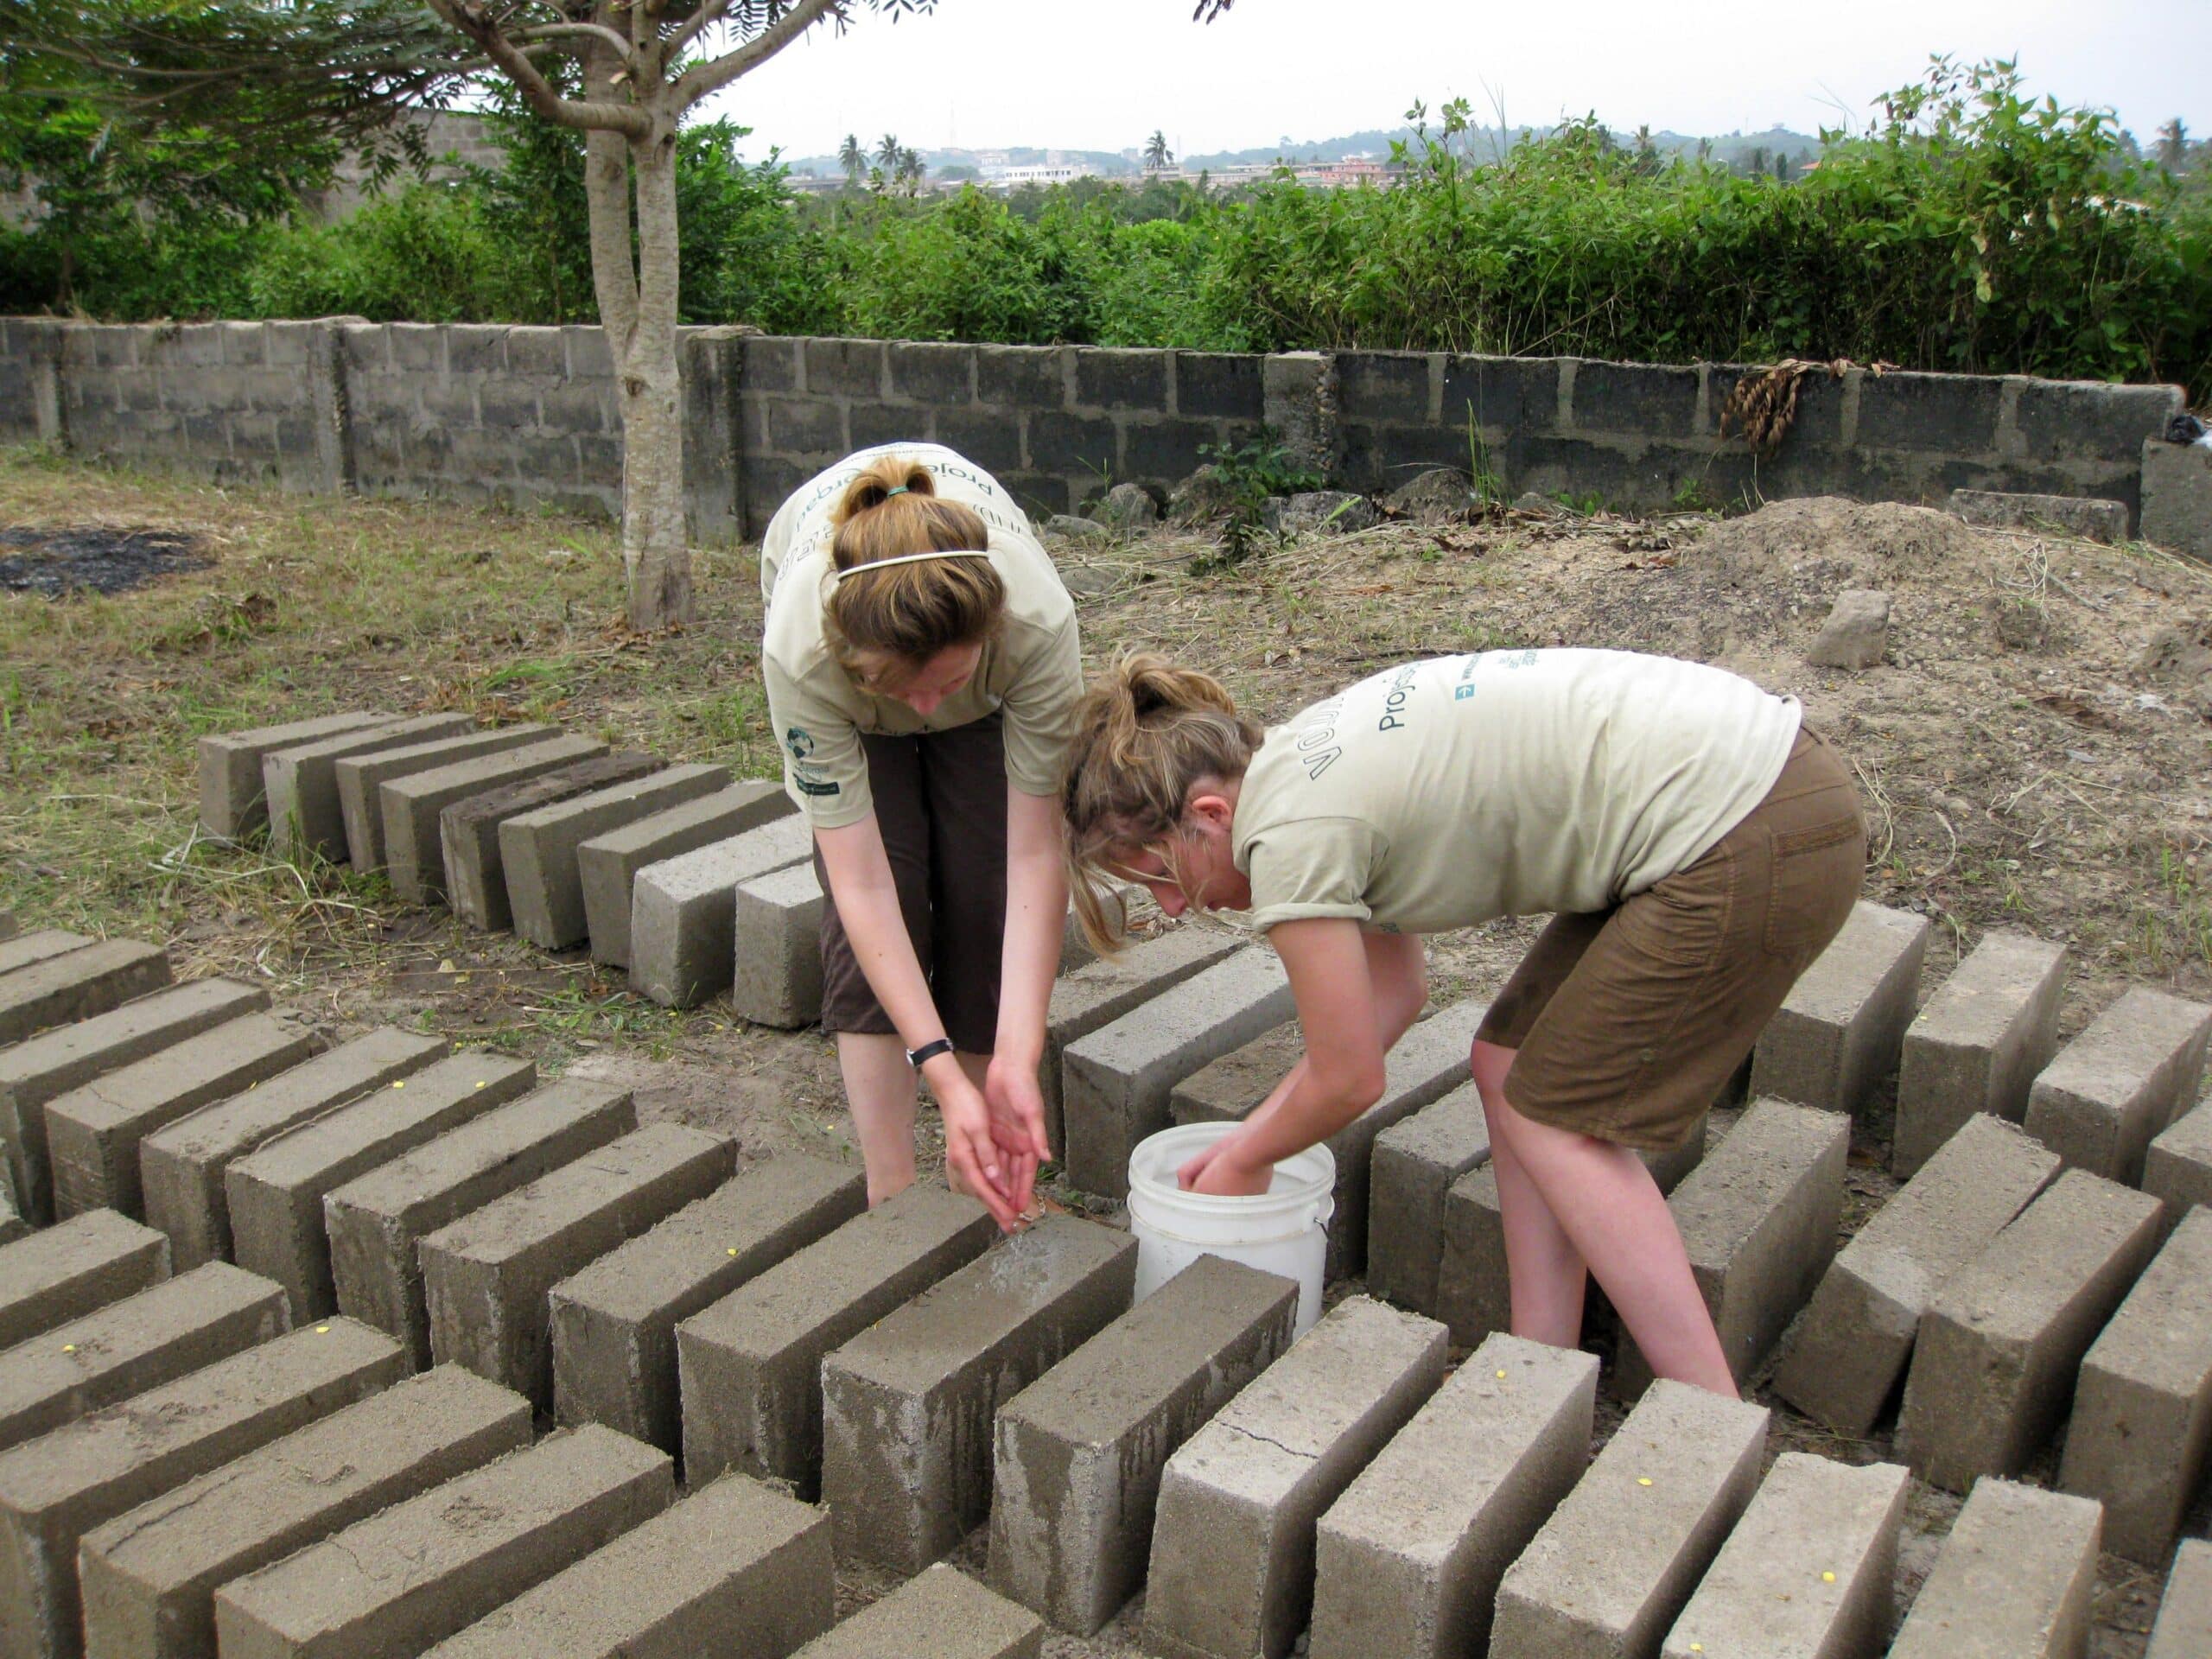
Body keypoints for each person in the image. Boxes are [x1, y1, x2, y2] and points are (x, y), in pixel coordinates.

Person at [1058, 647, 1866, 1394]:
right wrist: (1249, 1141)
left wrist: (1244, 1164)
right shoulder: (1298, 771)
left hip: (1752, 829)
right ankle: (1541, 1367)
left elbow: (1349, 1078)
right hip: (1760, 786)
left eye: (1160, 874)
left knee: (1560, 1123)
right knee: (1508, 1067)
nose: (1173, 904)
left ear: (1207, 813)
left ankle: (1708, 1417)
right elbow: (1395, 994)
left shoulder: (1290, 837)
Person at [760, 442, 1082, 1232]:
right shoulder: (803, 653)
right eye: (908, 688)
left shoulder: (1034, 626)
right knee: (889, 898)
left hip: (988, 688)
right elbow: (862, 884)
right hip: (846, 700)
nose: (928, 710)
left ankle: (983, 1160)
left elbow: (1036, 858)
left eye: (949, 680)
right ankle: (892, 1188)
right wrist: (937, 1070)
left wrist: (1017, 1056)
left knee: (983, 891)